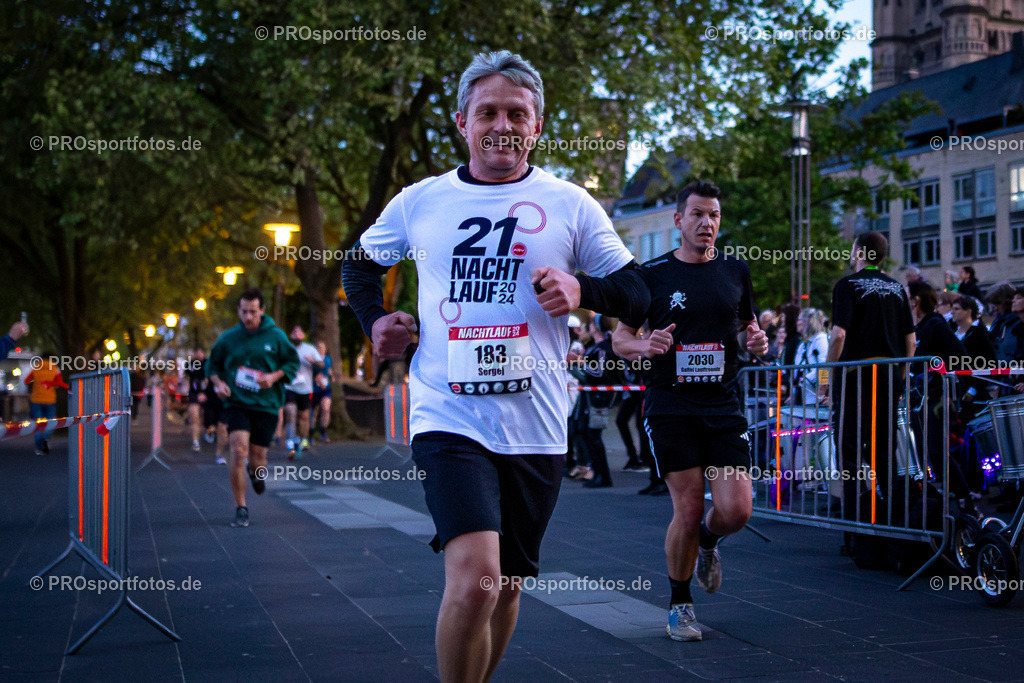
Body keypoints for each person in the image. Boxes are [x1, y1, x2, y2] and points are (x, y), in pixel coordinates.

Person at [341, 50, 649, 682]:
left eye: (516, 113)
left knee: (507, 585)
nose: (502, 125)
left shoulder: (570, 204)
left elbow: (639, 292)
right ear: (463, 122)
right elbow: (359, 264)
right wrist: (374, 321)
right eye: (487, 112)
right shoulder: (421, 201)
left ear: (537, 126)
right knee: (477, 579)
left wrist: (584, 290)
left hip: (536, 422)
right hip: (447, 413)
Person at [612, 180, 769, 642]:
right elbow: (621, 339)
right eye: (698, 214)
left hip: (722, 404)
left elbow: (747, 326)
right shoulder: (651, 274)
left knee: (736, 510)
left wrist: (755, 341)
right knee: (687, 507)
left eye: (714, 215)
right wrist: (645, 344)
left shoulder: (735, 270)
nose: (707, 223)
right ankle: (680, 605)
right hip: (671, 404)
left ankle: (709, 539)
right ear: (678, 220)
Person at [822, 231, 915, 521]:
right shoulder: (897, 288)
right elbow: (911, 341)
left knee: (849, 450)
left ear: (860, 252)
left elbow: (838, 335)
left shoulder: (846, 285)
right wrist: (900, 380)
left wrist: (827, 378)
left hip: (856, 377)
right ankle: (893, 521)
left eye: (853, 249)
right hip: (889, 376)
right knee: (884, 449)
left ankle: (855, 525)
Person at [207, 289, 299, 528]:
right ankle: (241, 507)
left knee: (258, 458)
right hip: (237, 403)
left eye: (253, 312)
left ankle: (256, 474)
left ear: (262, 311)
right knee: (238, 450)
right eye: (244, 311)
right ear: (239, 311)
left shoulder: (276, 336)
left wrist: (273, 376)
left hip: (267, 405)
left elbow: (292, 363)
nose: (248, 317)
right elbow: (212, 366)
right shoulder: (229, 338)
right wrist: (218, 384)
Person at [572, 314, 621, 489]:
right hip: (593, 395)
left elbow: (600, 373)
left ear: (597, 327)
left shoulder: (603, 348)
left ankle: (603, 475)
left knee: (593, 434)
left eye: (591, 324)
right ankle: (598, 473)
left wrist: (579, 364)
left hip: (599, 396)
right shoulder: (600, 346)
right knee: (587, 432)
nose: (589, 327)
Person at [282, 325, 323, 460]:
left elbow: (321, 364)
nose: (296, 334)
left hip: (305, 388)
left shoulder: (310, 348)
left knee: (304, 417)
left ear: (303, 336)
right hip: (289, 386)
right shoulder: (286, 348)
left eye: (299, 332)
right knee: (290, 413)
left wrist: (313, 361)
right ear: (290, 335)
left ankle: (304, 440)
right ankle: (290, 443)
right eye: (294, 332)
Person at [23, 352, 68, 455]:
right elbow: (59, 383)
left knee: (38, 423)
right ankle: (45, 439)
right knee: (50, 422)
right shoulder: (55, 368)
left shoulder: (36, 367)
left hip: (36, 399)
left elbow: (26, 381)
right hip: (50, 399)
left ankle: (39, 447)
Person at [311, 339, 335, 443]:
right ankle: (310, 434)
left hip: (326, 389)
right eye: (318, 347)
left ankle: (323, 432)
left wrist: (332, 375)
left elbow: (329, 368)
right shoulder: (312, 359)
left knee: (325, 408)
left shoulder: (328, 358)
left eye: (322, 347)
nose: (320, 349)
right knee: (313, 412)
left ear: (325, 349)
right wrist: (316, 378)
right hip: (313, 388)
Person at [185, 349, 207, 452]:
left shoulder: (208, 363)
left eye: (200, 352)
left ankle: (207, 431)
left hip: (207, 393)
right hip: (193, 392)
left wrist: (204, 392)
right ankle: (195, 441)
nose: (198, 354)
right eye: (196, 352)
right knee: (194, 416)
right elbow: (187, 375)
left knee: (203, 416)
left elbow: (208, 378)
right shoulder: (191, 363)